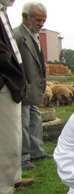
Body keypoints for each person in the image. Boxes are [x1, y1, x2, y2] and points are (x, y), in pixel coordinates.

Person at [0, 0, 32, 194]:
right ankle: (3, 191)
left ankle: (14, 178)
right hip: (4, 80)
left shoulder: (3, 13)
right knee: (6, 136)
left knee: (15, 133)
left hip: (11, 81)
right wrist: (14, 75)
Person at [14, 2, 47, 170]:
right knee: (23, 123)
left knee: (35, 119)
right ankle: (24, 158)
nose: (41, 24)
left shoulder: (33, 35)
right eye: (38, 20)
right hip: (23, 87)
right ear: (26, 17)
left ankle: (37, 152)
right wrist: (22, 84)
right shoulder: (17, 35)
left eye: (43, 20)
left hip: (34, 87)